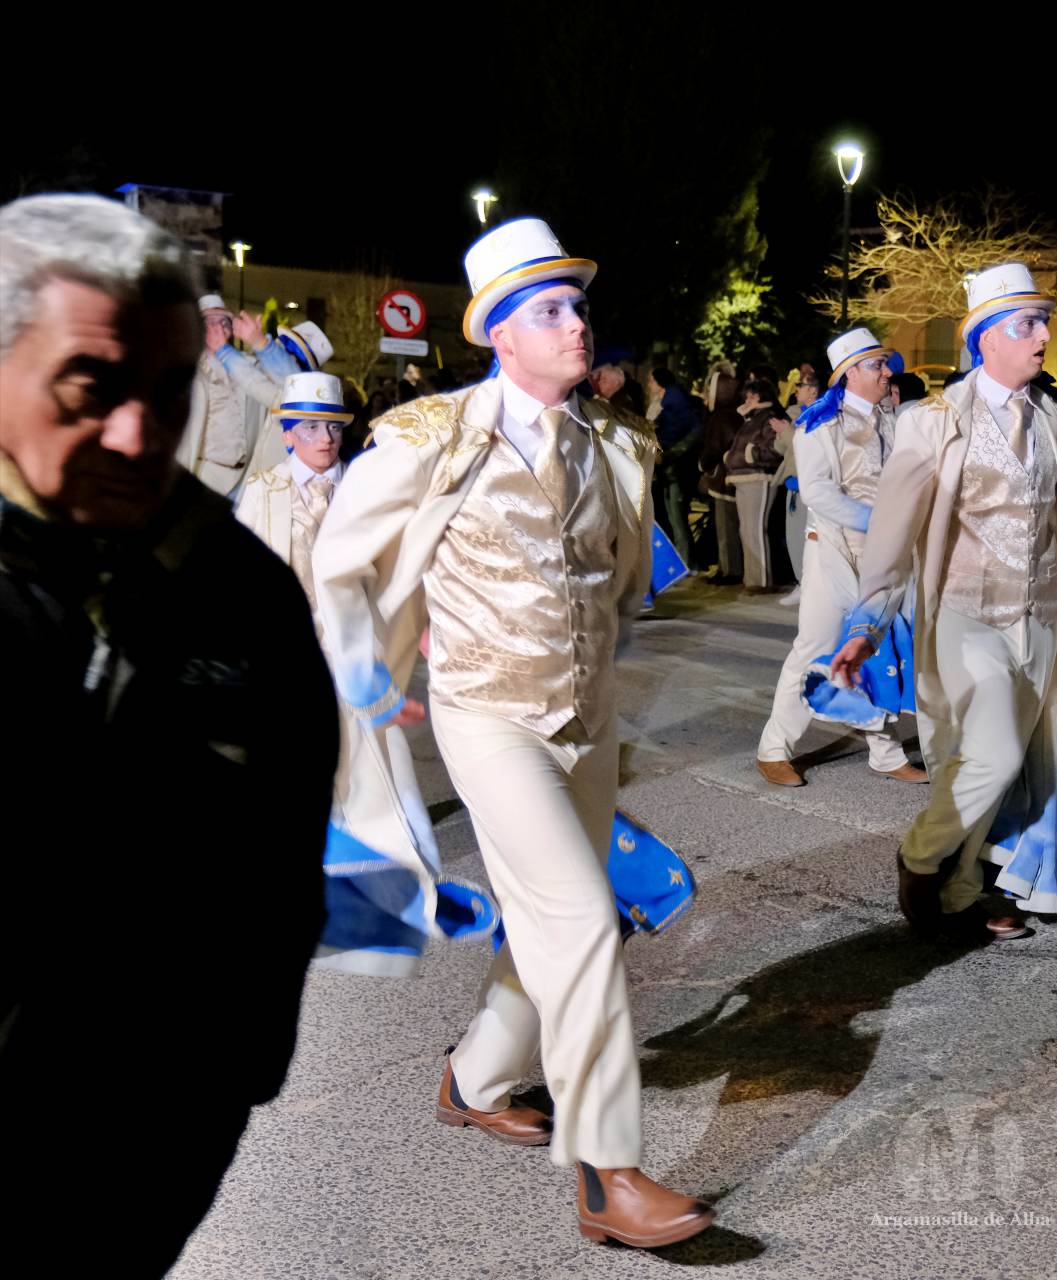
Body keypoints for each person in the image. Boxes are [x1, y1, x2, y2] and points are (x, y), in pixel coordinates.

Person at [311, 217, 712, 1250]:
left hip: (588, 716)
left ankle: (477, 1073)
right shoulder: (429, 435)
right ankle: (609, 1170)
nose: (578, 323)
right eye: (551, 309)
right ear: (499, 330)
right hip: (488, 718)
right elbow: (341, 563)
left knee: (565, 923)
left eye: (577, 305)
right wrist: (372, 672)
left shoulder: (618, 445)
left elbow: (622, 582)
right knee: (579, 916)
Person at [0, 193, 337, 1272]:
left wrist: (227, 1078)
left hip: (145, 1136)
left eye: (171, 389)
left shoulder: (244, 595)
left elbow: (283, 862)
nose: (141, 435)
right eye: (92, 386)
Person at [829, 264, 1057, 943]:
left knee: (1010, 760)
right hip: (965, 616)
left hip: (1040, 620)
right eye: (1027, 323)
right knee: (990, 751)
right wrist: (868, 620)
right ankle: (920, 859)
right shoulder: (935, 423)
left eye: (1044, 321)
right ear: (985, 338)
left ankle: (962, 891)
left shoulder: (1056, 422)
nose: (1044, 335)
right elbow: (894, 531)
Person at [754, 328, 927, 788]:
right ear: (850, 372)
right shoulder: (818, 423)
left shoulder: (894, 421)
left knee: (879, 647)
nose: (887, 372)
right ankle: (774, 749)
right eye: (877, 365)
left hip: (885, 556)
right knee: (814, 645)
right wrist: (880, 521)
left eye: (885, 364)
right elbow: (817, 493)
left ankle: (885, 752)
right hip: (833, 549)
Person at [234, 372, 352, 607]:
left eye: (334, 428)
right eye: (311, 427)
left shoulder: (361, 485)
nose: (326, 438)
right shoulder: (264, 489)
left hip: (350, 628)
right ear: (288, 437)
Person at [175, 292, 285, 497]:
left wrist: (259, 342)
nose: (219, 327)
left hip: (247, 477)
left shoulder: (250, 365)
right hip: (205, 476)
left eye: (225, 322)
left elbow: (286, 389)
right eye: (210, 322)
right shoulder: (186, 373)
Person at [725, 377, 786, 592]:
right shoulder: (751, 419)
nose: (747, 398)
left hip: (758, 478)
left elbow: (775, 449)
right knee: (747, 530)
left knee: (756, 529)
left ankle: (760, 581)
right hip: (744, 476)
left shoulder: (767, 418)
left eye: (753, 395)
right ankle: (752, 579)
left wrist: (751, 455)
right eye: (748, 395)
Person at [773, 368, 822, 604]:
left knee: (808, 539)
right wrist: (783, 433)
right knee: (793, 538)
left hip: (809, 485)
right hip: (792, 484)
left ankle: (809, 585)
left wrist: (788, 432)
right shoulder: (794, 414)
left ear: (813, 390)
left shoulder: (820, 414)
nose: (796, 390)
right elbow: (782, 450)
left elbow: (810, 448)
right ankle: (801, 583)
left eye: (801, 385)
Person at [647, 365, 703, 560]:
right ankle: (682, 560)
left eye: (651, 381)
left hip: (676, 469)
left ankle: (686, 561)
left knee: (677, 518)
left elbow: (687, 433)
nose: (649, 385)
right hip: (669, 468)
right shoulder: (666, 402)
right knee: (673, 518)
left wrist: (667, 453)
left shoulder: (673, 405)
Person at [699, 369, 742, 583]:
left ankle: (730, 570)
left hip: (723, 478)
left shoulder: (720, 417)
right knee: (730, 526)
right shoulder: (737, 413)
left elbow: (714, 448)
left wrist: (702, 464)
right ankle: (728, 568)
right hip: (734, 476)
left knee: (726, 527)